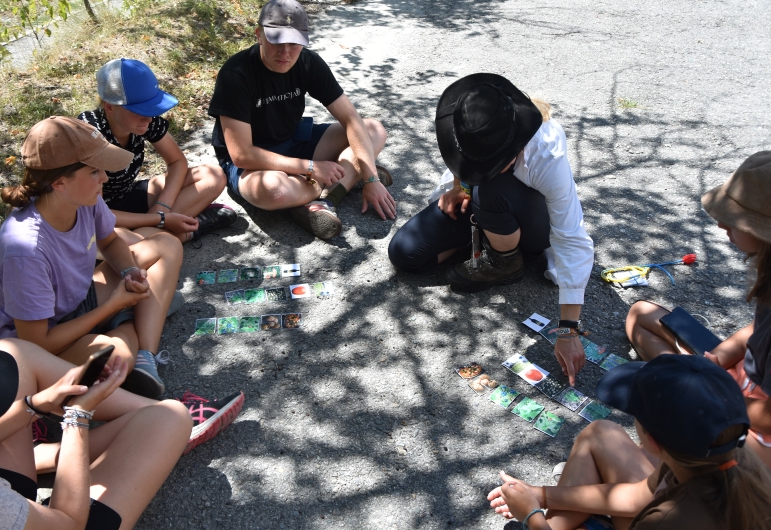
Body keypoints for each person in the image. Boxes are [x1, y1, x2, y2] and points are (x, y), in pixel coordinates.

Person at [388, 73, 594, 386]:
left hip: (532, 223)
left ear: (516, 146)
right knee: (406, 253)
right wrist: (460, 185)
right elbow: (459, 157)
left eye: (492, 164)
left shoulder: (545, 153)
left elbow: (571, 236)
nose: (479, 168)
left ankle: (505, 262)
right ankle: (486, 238)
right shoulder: (473, 120)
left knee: (490, 188)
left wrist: (568, 330)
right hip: (485, 207)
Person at [0, 116, 181, 399]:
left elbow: (110, 241)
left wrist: (128, 273)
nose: (105, 178)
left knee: (166, 245)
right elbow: (38, 342)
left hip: (76, 300)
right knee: (118, 356)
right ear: (59, 182)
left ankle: (145, 354)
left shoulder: (84, 198)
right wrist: (112, 305)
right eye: (94, 171)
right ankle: (130, 317)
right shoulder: (25, 252)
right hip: (34, 346)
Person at [0, 338, 244, 530]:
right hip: (46, 519)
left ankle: (40, 455)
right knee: (171, 418)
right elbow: (69, 524)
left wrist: (35, 405)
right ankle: (176, 431)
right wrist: (77, 415)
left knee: (8, 354)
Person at [486, 354, 771, 530]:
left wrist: (532, 517)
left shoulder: (667, 521)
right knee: (600, 431)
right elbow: (636, 498)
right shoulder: (717, 450)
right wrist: (539, 495)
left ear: (652, 442)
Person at [625, 151, 771, 469]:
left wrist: (715, 398)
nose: (720, 224)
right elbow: (756, 330)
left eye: (734, 219)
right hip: (740, 382)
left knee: (682, 448)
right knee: (641, 314)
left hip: (758, 423)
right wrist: (715, 360)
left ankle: (652, 465)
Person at [208, 0, 396, 241]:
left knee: (373, 130)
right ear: (259, 35)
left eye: (294, 42)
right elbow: (242, 155)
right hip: (252, 163)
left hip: (293, 141)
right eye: (277, 41)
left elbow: (351, 119)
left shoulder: (308, 62)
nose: (285, 52)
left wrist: (371, 178)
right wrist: (310, 168)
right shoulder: (236, 74)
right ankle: (346, 177)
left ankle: (325, 199)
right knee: (273, 190)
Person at [79, 58, 238, 245]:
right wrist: (159, 219)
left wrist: (162, 207)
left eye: (151, 108)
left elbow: (177, 162)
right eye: (139, 110)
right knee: (112, 243)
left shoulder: (145, 120)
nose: (148, 118)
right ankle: (184, 232)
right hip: (98, 214)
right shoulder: (90, 134)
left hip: (127, 195)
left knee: (212, 176)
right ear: (109, 106)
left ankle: (154, 237)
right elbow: (94, 212)